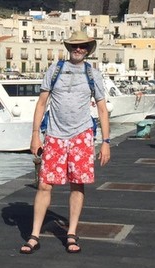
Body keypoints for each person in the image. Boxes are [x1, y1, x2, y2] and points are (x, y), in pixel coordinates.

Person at [20, 30, 110, 255]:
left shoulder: (92, 74)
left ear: (88, 49)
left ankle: (71, 233)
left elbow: (101, 107)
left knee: (77, 183)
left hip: (81, 135)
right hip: (54, 135)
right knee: (44, 184)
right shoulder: (55, 70)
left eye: (83, 47)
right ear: (68, 48)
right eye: (74, 46)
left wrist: (106, 142)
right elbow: (41, 104)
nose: (78, 50)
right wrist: (34, 134)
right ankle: (34, 235)